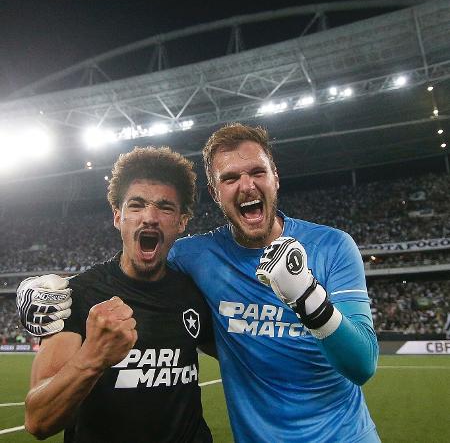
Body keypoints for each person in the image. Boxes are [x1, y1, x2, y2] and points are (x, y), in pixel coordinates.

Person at [18, 123, 379, 442]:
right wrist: (46, 284)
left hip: (346, 435)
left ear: (275, 178)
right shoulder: (194, 257)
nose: (246, 185)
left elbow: (362, 365)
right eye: (230, 178)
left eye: (257, 172)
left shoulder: (332, 246)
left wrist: (307, 296)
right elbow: (38, 419)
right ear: (215, 191)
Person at [19, 147, 214, 443]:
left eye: (165, 207)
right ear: (117, 217)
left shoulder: (195, 292)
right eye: (136, 205)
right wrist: (93, 357)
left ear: (182, 222)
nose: (150, 217)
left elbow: (242, 351)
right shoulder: (80, 295)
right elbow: (38, 420)